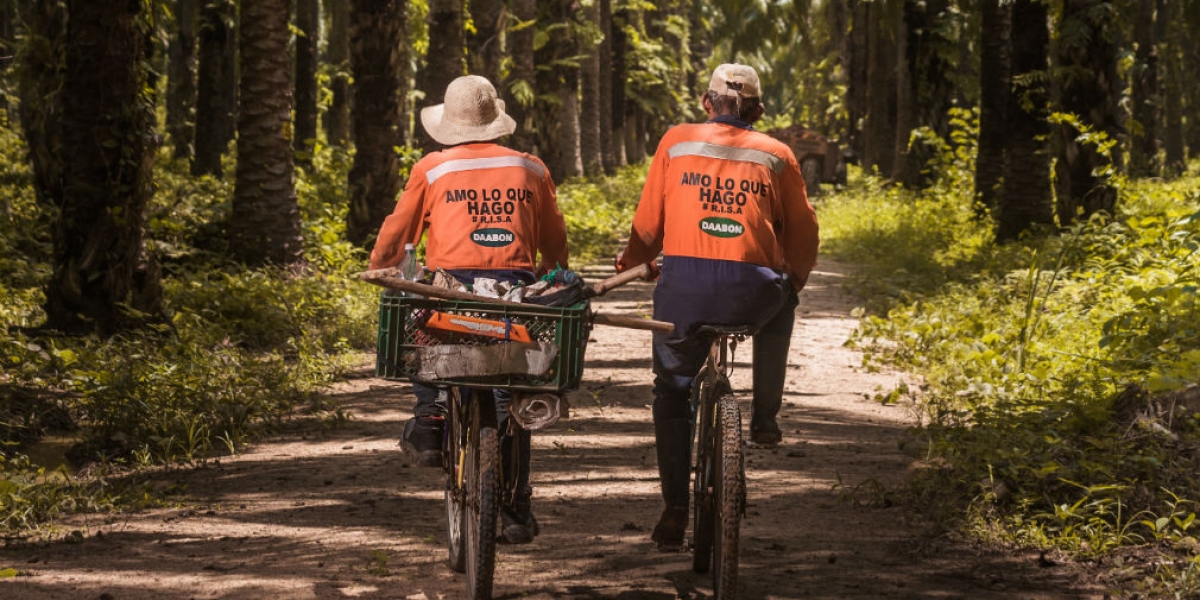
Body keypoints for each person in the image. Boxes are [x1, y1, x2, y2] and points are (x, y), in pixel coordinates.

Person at [615, 63, 819, 550]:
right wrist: (793, 279)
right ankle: (765, 417)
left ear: (707, 103)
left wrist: (631, 261)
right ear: (759, 110)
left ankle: (675, 507)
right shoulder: (777, 154)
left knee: (670, 391)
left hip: (683, 289)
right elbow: (803, 230)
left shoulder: (676, 141)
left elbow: (648, 227)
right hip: (754, 291)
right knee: (783, 300)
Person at [369, 74, 569, 544]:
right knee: (514, 400)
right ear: (495, 122)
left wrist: (381, 266)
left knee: (415, 310)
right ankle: (516, 507)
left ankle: (428, 418)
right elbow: (554, 243)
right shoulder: (532, 168)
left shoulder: (434, 168)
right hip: (513, 307)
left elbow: (398, 233)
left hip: (450, 300)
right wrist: (551, 273)